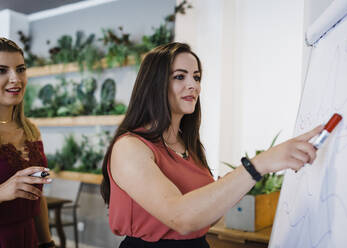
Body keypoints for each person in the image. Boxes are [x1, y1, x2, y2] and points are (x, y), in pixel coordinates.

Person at [101, 42, 322, 248]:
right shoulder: (130, 147)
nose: (193, 85)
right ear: (154, 84)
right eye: (180, 76)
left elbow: (206, 216)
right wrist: (258, 164)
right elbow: (182, 218)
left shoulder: (188, 147)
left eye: (196, 77)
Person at [0, 38, 55, 248]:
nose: (15, 79)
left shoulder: (31, 130)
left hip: (28, 238)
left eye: (20, 69)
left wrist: (47, 242)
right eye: (1, 71)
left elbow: (36, 197)